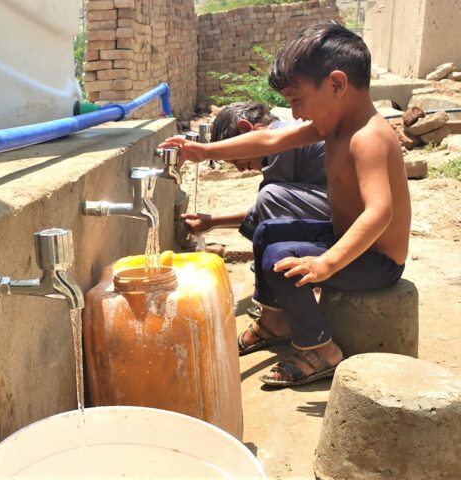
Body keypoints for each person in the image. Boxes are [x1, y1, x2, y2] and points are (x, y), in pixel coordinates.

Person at [160, 21, 411, 388]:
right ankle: (275, 321)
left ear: (337, 85)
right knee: (266, 230)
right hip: (345, 241)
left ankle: (321, 349)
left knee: (283, 263)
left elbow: (379, 212)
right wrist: (203, 151)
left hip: (378, 262)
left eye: (297, 100)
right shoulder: (334, 125)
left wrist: (326, 263)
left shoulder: (368, 137)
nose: (294, 114)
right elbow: (266, 142)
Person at [182, 101, 330, 242]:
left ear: (246, 129)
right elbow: (267, 208)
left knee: (270, 195)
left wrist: (202, 152)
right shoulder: (287, 132)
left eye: (235, 159)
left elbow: (269, 203)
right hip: (334, 207)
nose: (240, 169)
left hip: (344, 214)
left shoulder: (282, 144)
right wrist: (212, 222)